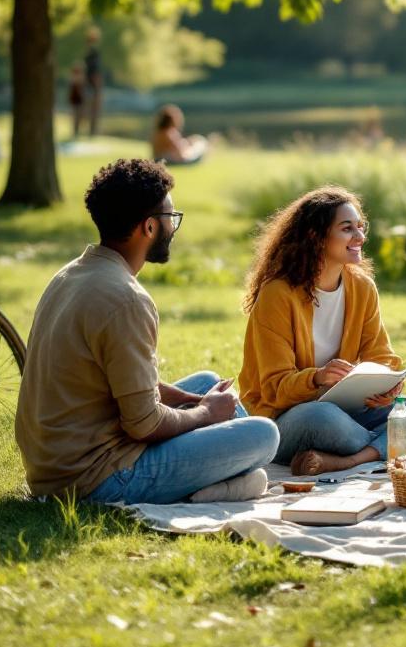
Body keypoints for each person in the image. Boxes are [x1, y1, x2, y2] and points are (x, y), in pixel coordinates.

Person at [15, 159, 279, 504]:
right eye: (171, 218)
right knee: (263, 435)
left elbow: (114, 382)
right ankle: (228, 476)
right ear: (149, 227)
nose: (174, 227)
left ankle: (228, 474)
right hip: (93, 477)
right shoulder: (127, 300)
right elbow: (143, 424)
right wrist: (205, 414)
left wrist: (194, 401)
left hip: (55, 461)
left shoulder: (72, 274)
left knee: (205, 382)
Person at [239, 186, 406, 476]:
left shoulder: (361, 287)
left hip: (353, 412)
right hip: (290, 418)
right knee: (324, 415)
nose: (360, 237)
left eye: (360, 226)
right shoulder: (278, 294)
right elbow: (273, 389)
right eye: (347, 228)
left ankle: (350, 460)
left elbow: (381, 356)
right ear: (314, 237)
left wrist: (388, 386)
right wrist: (317, 377)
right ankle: (394, 444)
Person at [84, 27, 104, 137]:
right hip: (91, 83)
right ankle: (92, 131)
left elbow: (95, 70)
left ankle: (93, 131)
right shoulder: (92, 53)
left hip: (92, 83)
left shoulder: (93, 53)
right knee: (91, 109)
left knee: (93, 109)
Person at [68, 63, 87, 138]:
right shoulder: (74, 78)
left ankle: (77, 130)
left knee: (78, 115)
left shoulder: (80, 78)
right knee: (75, 115)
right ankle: (75, 130)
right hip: (75, 99)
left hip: (78, 99)